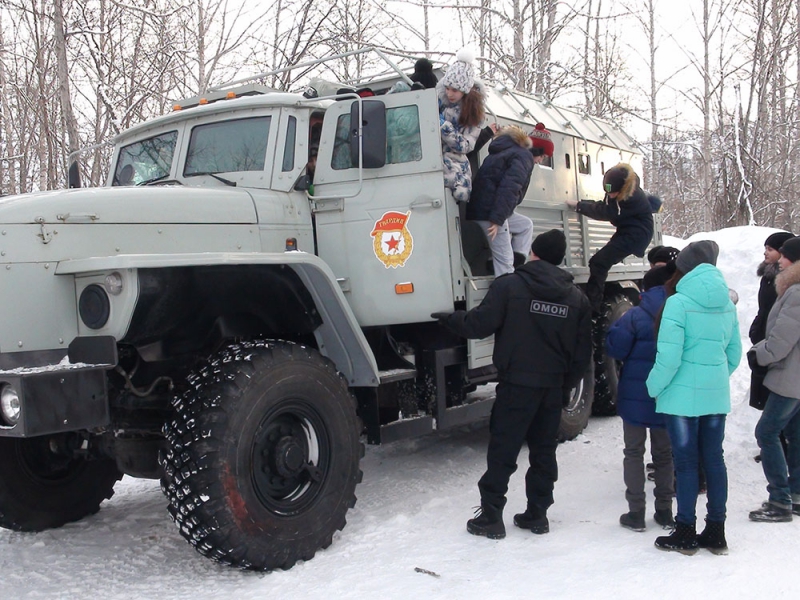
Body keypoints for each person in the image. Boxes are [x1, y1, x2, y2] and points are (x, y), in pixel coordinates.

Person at [431, 229, 592, 539]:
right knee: (544, 451)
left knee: (504, 449)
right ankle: (537, 515)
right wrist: (564, 387)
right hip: (552, 387)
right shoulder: (576, 299)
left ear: (533, 252)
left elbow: (479, 325)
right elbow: (582, 354)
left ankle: (491, 516)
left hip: (517, 385)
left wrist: (450, 319)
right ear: (559, 260)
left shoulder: (510, 286)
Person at [645, 240, 741, 556]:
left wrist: (654, 387)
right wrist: (713, 378)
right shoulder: (727, 304)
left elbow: (668, 358)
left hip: (680, 401)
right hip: (715, 399)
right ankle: (716, 532)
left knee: (685, 464)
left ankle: (685, 531)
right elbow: (734, 354)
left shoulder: (678, 303)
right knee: (714, 460)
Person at [606, 265, 675, 532]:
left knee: (633, 452)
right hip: (667, 393)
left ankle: (636, 512)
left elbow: (616, 348)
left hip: (636, 394)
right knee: (664, 455)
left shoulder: (634, 315)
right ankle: (665, 511)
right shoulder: (678, 312)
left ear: (645, 289)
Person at [748, 236, 800, 522]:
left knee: (766, 433)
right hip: (795, 377)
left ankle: (779, 500)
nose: (779, 259)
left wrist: (760, 354)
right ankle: (795, 495)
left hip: (790, 377)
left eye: (785, 256)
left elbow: (782, 339)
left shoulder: (796, 292)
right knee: (795, 434)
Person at [565, 163, 655, 314]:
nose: (610, 195)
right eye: (608, 191)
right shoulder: (618, 188)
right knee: (599, 262)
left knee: (599, 263)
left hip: (636, 235)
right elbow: (605, 204)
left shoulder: (631, 197)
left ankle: (593, 309)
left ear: (622, 189)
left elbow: (606, 212)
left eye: (613, 193)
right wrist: (583, 204)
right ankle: (593, 304)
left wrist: (579, 206)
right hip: (626, 230)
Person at [466, 125, 535, 276]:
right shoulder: (522, 155)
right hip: (490, 214)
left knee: (525, 225)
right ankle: (506, 288)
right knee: (504, 263)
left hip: (480, 209)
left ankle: (512, 263)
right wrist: (497, 220)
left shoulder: (497, 153)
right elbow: (509, 188)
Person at [748, 231, 795, 413]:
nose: (765, 253)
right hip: (764, 342)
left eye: (771, 249)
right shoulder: (768, 277)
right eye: (765, 249)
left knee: (773, 424)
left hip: (777, 349)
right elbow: (764, 310)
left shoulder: (789, 282)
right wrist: (756, 328)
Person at [437, 48, 486, 203]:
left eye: (455, 90)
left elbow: (465, 146)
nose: (450, 93)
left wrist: (443, 127)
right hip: (435, 164)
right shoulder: (439, 105)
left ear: (465, 90)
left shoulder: (472, 113)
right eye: (447, 88)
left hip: (455, 169)